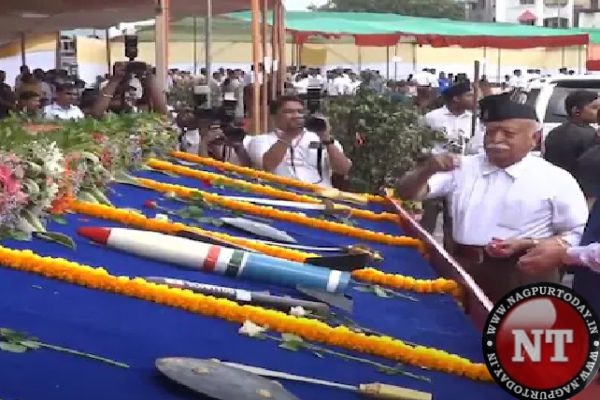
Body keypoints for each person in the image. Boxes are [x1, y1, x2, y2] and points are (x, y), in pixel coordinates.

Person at [395, 93, 589, 303]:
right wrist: (427, 170)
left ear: (534, 139)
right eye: (491, 132)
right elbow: (406, 193)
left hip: (522, 274)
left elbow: (579, 232)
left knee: (515, 334)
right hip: (462, 268)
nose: (496, 140)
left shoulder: (555, 178)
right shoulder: (463, 167)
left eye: (508, 133)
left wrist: (533, 243)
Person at [247, 95, 352, 188]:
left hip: (321, 194)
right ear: (274, 116)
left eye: (300, 112)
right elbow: (267, 166)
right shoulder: (260, 140)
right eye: (289, 112)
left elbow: (343, 169)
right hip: (281, 196)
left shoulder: (318, 138)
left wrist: (327, 139)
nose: (296, 116)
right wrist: (289, 135)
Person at [544, 90, 600, 196]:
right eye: (594, 108)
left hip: (553, 187)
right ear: (576, 111)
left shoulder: (554, 132)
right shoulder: (589, 135)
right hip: (580, 191)